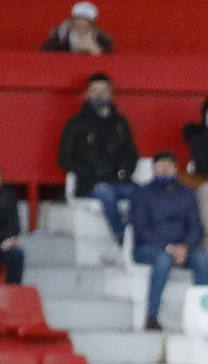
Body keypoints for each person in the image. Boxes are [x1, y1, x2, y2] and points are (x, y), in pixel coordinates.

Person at [130, 152, 208, 331]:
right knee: (163, 259)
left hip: (183, 247)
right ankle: (152, 316)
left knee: (202, 260)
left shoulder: (188, 194)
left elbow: (196, 227)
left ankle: (204, 315)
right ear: (153, 169)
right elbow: (141, 229)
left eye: (168, 166)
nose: (164, 170)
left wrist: (185, 246)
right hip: (149, 248)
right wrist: (169, 247)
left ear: (176, 169)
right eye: (160, 166)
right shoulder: (142, 193)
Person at [57, 72, 138, 245]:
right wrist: (88, 173)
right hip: (90, 183)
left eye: (104, 90)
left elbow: (131, 153)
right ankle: (121, 237)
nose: (99, 95)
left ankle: (136, 233)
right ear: (87, 94)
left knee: (141, 193)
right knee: (105, 192)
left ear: (111, 93)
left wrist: (125, 171)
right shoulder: (76, 123)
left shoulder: (120, 122)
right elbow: (64, 158)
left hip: (119, 180)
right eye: (95, 91)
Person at [42, 1, 113, 54]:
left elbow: (109, 56)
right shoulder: (60, 36)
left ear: (92, 25)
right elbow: (46, 53)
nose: (81, 25)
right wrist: (71, 50)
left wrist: (97, 50)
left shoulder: (102, 39)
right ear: (71, 21)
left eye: (86, 26)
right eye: (77, 20)